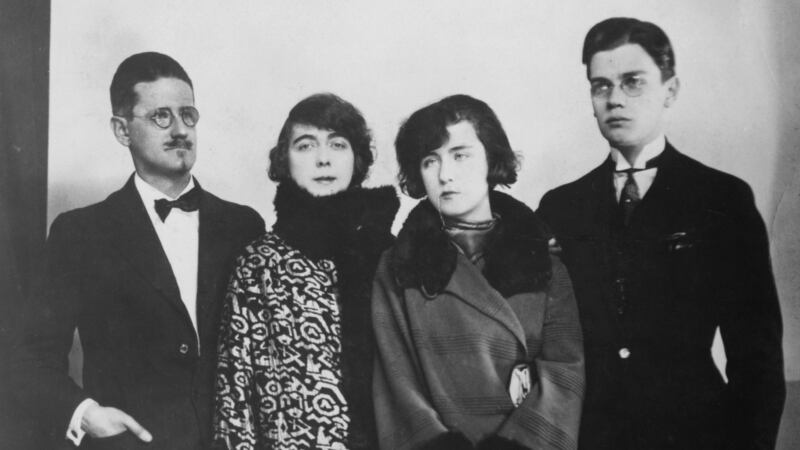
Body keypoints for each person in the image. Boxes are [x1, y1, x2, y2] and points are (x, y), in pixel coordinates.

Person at [537, 17, 786, 450]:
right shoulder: (561, 207)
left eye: (633, 82)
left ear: (670, 90)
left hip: (694, 434)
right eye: (601, 86)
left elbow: (757, 360)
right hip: (587, 437)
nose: (615, 99)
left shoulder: (722, 199)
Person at [8, 52, 265, 449]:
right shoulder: (79, 233)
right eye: (161, 116)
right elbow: (32, 358)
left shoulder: (244, 226)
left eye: (188, 115)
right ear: (122, 130)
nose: (180, 129)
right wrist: (85, 413)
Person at [372, 94, 584, 450]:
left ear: (491, 159)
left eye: (460, 155)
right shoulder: (397, 268)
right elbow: (397, 385)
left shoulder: (546, 264)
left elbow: (565, 375)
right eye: (430, 160)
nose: (445, 174)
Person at [213, 93, 399, 450]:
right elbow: (234, 395)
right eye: (306, 145)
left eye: (338, 144)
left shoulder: (389, 255)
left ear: (357, 158)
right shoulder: (259, 262)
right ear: (285, 160)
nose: (323, 158)